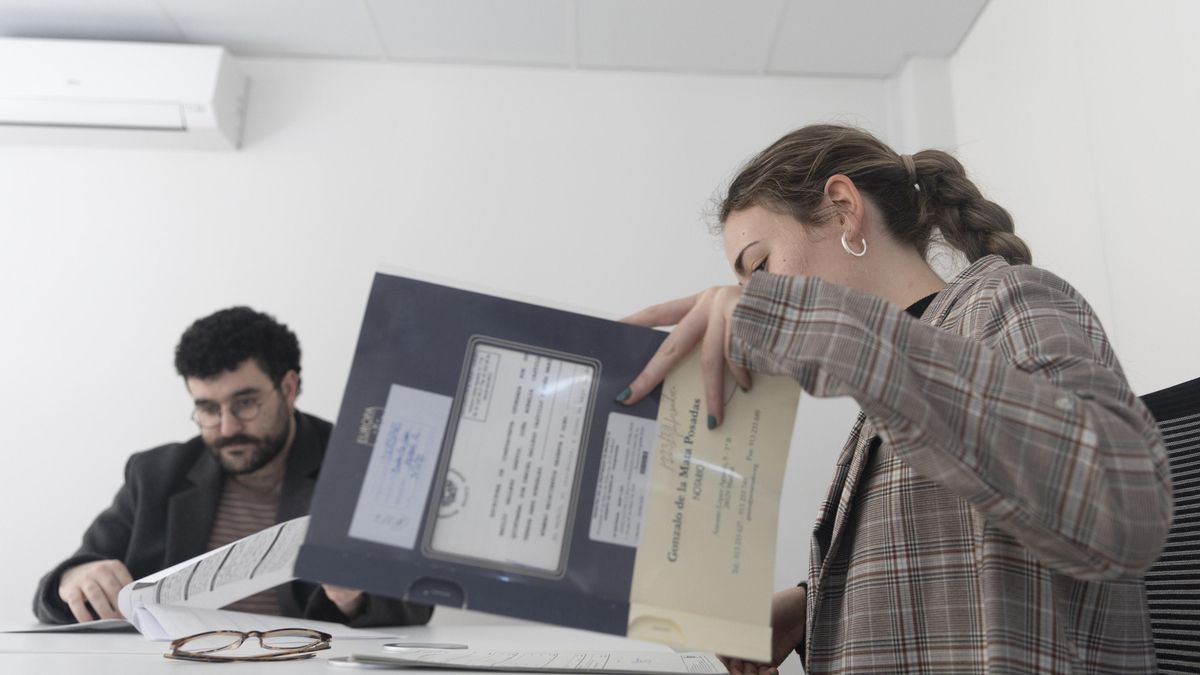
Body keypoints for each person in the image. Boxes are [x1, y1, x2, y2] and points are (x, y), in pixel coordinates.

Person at [619, 125, 1172, 674]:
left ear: (842, 208)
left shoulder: (1006, 299)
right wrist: (810, 604)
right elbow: (956, 554)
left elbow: (1127, 506)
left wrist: (829, 330)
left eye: (760, 268)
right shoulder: (882, 395)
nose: (753, 297)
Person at [33, 306, 433, 628]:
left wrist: (354, 598)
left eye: (245, 403)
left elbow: (417, 602)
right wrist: (74, 578)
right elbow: (64, 585)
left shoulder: (357, 464)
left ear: (289, 388)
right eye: (207, 408)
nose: (226, 428)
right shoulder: (154, 474)